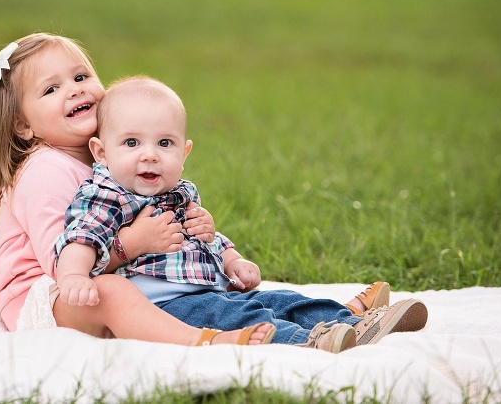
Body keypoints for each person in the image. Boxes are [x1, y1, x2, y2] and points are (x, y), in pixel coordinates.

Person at [55, 76, 428, 352]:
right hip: (166, 304)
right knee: (244, 319)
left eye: (164, 143)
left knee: (279, 300)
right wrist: (73, 274)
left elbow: (209, 242)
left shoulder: (180, 193)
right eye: (132, 143)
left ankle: (355, 323)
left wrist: (233, 259)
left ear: (184, 153)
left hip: (214, 287)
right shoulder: (106, 195)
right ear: (101, 152)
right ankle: (310, 341)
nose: (149, 154)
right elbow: (83, 237)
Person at [0, 32, 277, 346]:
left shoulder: (110, 153)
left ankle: (297, 315)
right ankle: (203, 341)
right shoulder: (44, 171)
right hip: (47, 296)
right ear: (22, 125)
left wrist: (193, 228)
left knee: (182, 282)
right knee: (112, 292)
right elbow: (61, 264)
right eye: (52, 89)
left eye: (81, 76)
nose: (74, 89)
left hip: (91, 278)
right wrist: (131, 243)